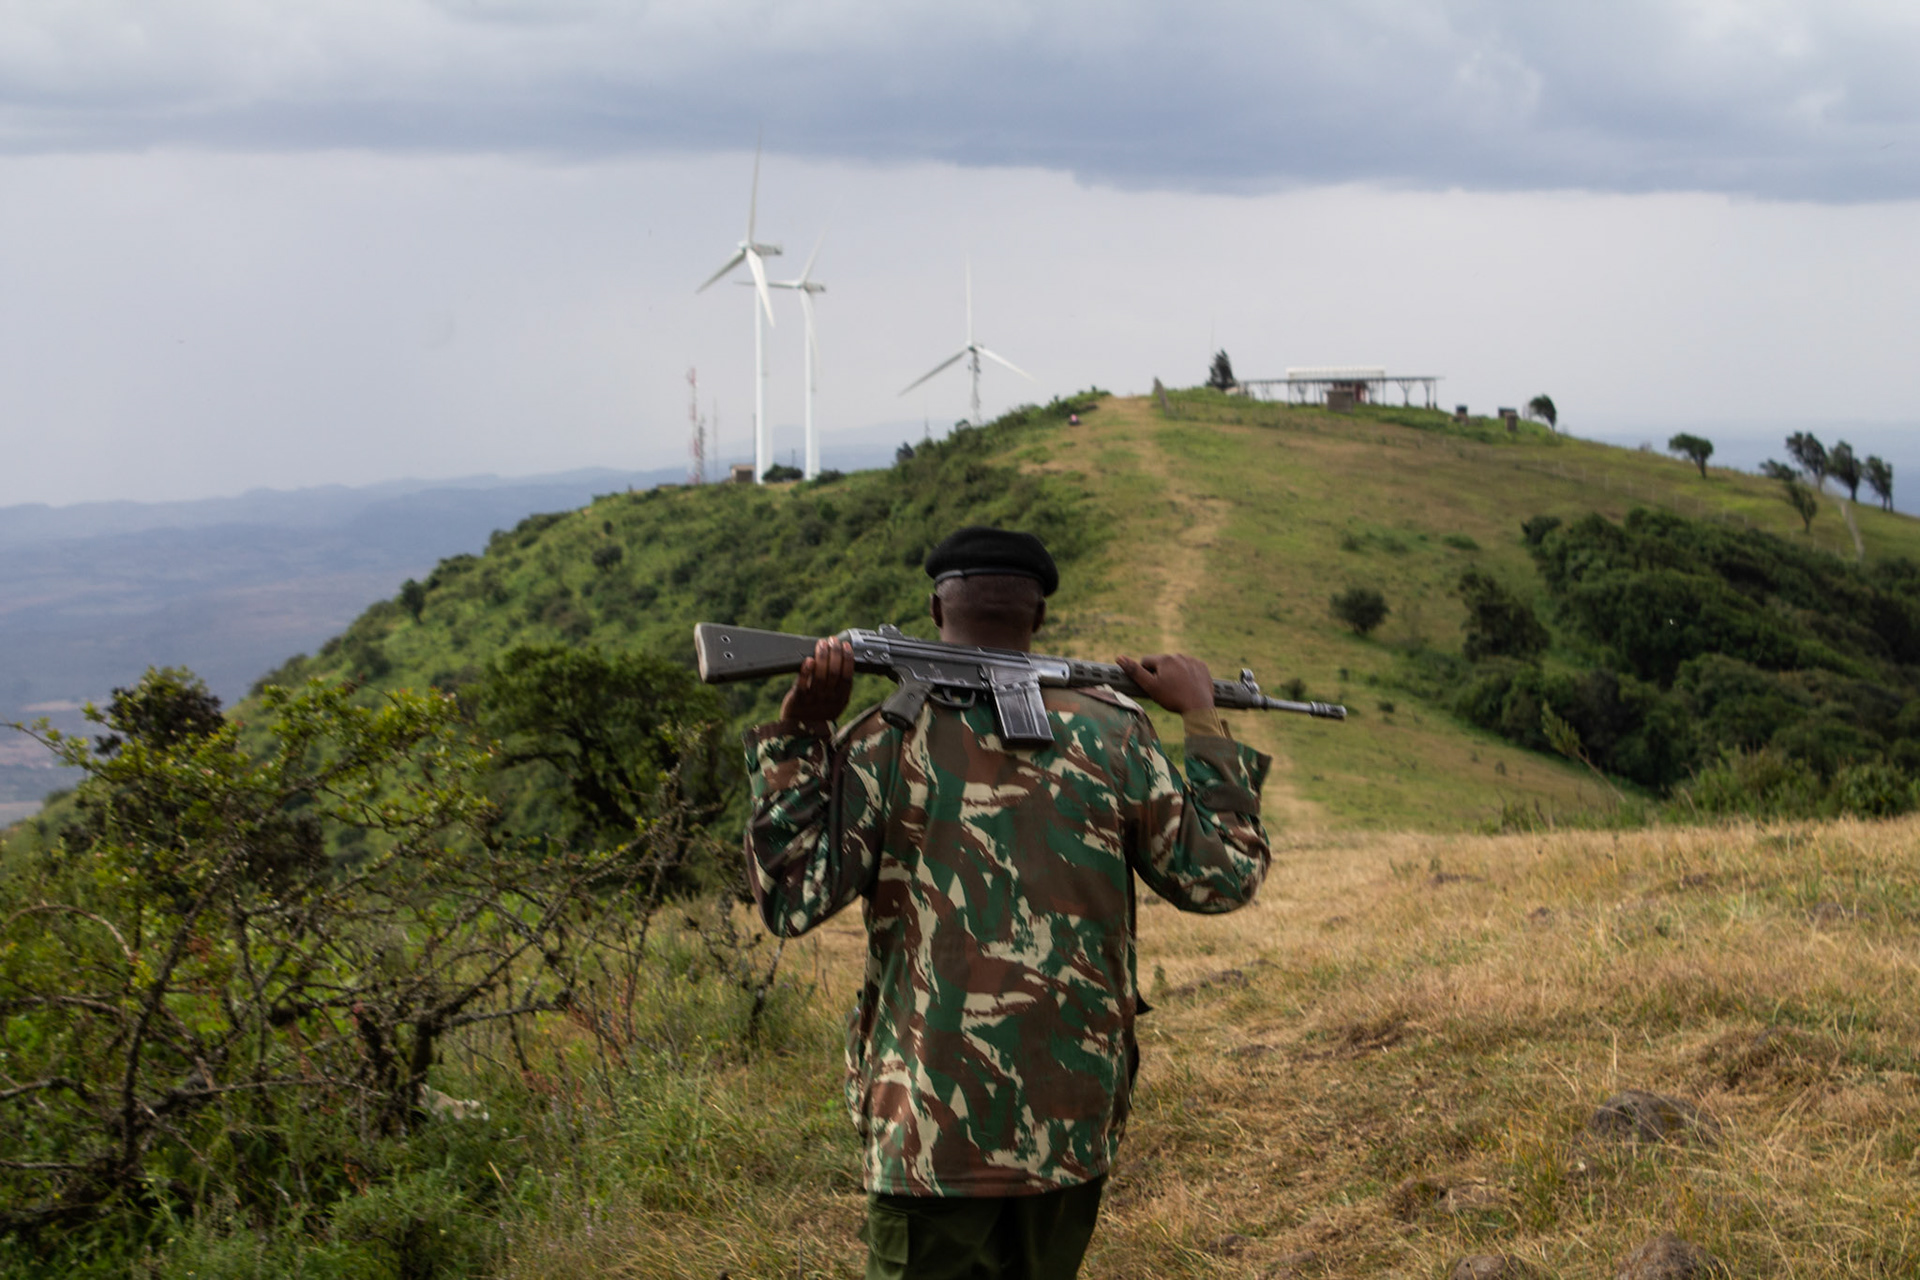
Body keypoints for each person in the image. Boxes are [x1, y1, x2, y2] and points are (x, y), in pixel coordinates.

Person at [742, 525, 1273, 1280]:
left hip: (928, 1130)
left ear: (935, 609)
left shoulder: (884, 739)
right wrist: (1201, 719)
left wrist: (800, 733)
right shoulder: (1116, 735)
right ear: (1040, 620)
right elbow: (1221, 878)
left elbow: (790, 899)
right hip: (1069, 1117)